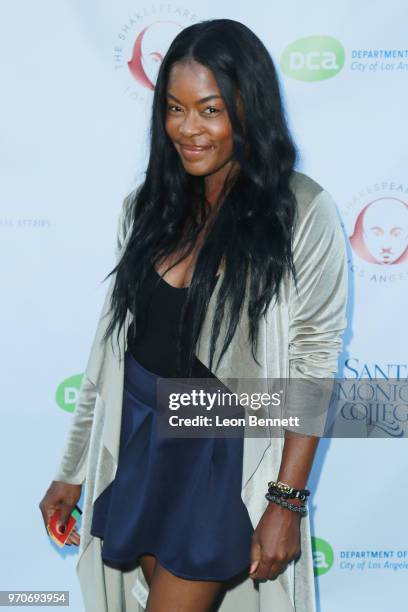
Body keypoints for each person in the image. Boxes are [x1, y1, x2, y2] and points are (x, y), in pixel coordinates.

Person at [39, 18, 348, 612]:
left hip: (216, 451)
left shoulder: (301, 212)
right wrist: (72, 467)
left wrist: (285, 501)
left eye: (210, 109)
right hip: (137, 436)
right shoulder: (149, 205)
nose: (188, 129)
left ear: (247, 108)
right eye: (175, 109)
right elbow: (109, 350)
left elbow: (313, 366)